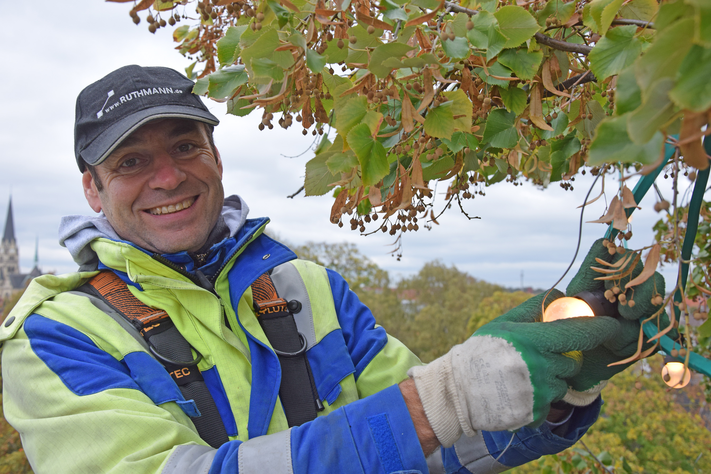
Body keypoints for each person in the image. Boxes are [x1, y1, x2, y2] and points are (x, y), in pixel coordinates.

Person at [0, 65, 665, 474]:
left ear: (216, 156)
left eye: (184, 145)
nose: (169, 176)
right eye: (131, 162)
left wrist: (556, 391)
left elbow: (433, 450)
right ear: (93, 190)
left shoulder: (305, 287)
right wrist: (440, 398)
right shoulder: (52, 336)